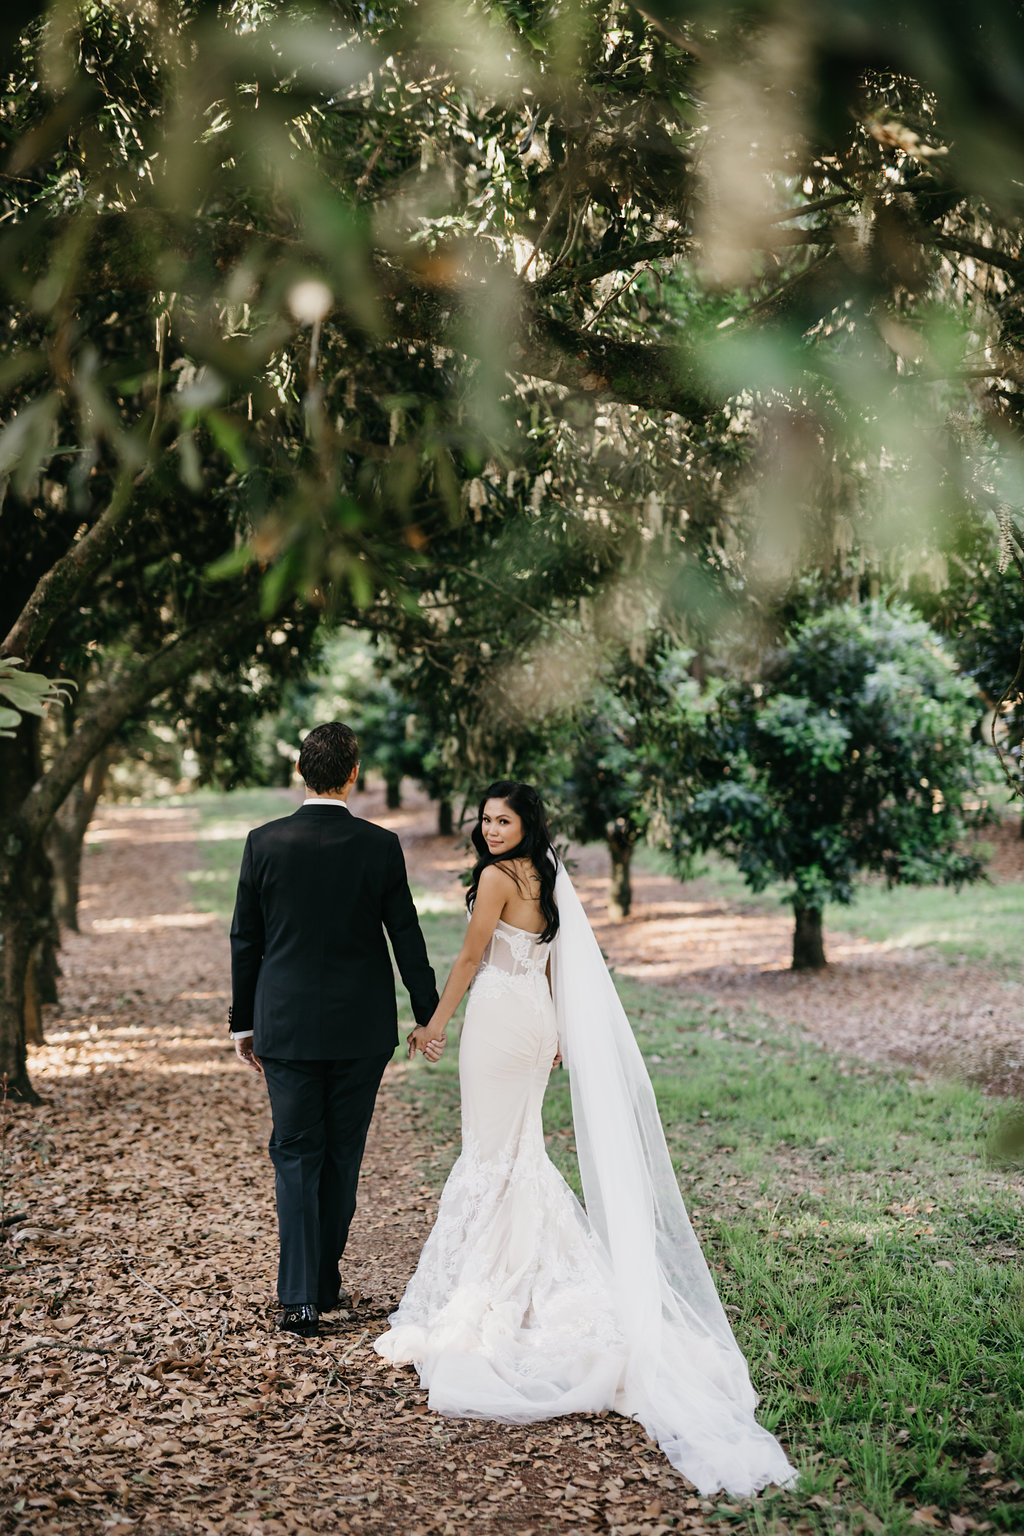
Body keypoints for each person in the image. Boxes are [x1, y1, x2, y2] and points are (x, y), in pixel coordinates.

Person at [374, 781, 797, 1497]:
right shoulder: (544, 872)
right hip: (537, 1020)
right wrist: (562, 1031)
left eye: (504, 820)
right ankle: (512, 1268)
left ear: (524, 823)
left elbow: (472, 961)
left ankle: (497, 1287)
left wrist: (436, 1023)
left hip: (502, 1023)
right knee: (519, 1154)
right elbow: (555, 960)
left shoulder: (494, 877)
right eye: (486, 820)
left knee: (492, 1154)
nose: (492, 828)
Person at [229, 721, 441, 1339]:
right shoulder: (379, 845)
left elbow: (247, 938)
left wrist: (243, 1022)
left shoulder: (263, 843)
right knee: (342, 1155)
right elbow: (406, 933)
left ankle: (299, 1297)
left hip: (286, 1026)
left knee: (296, 1152)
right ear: (353, 774)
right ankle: (323, 1284)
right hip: (361, 1029)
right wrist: (426, 1012)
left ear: (302, 772)